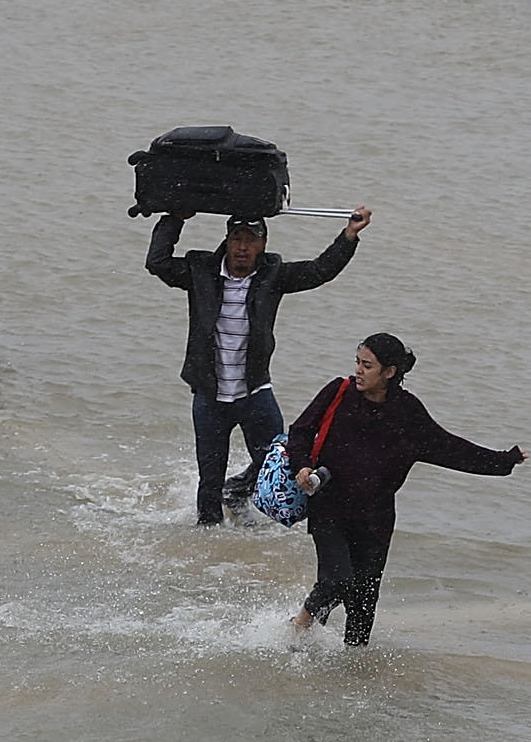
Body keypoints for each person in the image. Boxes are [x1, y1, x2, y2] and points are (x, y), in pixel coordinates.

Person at [284, 333, 525, 645]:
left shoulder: (407, 412)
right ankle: (300, 627)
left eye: (367, 365)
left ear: (389, 372)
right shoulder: (339, 392)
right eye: (358, 362)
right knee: (337, 579)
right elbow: (300, 431)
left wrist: (503, 461)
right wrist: (302, 466)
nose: (358, 370)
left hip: (376, 518)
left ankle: (353, 663)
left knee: (363, 602)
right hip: (329, 507)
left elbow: (449, 447)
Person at [146, 207, 370, 524]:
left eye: (251, 240)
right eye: (237, 238)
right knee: (209, 481)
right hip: (209, 397)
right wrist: (176, 216)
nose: (243, 247)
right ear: (226, 241)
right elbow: (157, 262)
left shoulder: (272, 274)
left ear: (262, 245)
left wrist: (349, 235)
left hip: (254, 394)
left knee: (277, 464)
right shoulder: (200, 270)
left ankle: (238, 490)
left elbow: (320, 270)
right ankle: (208, 540)